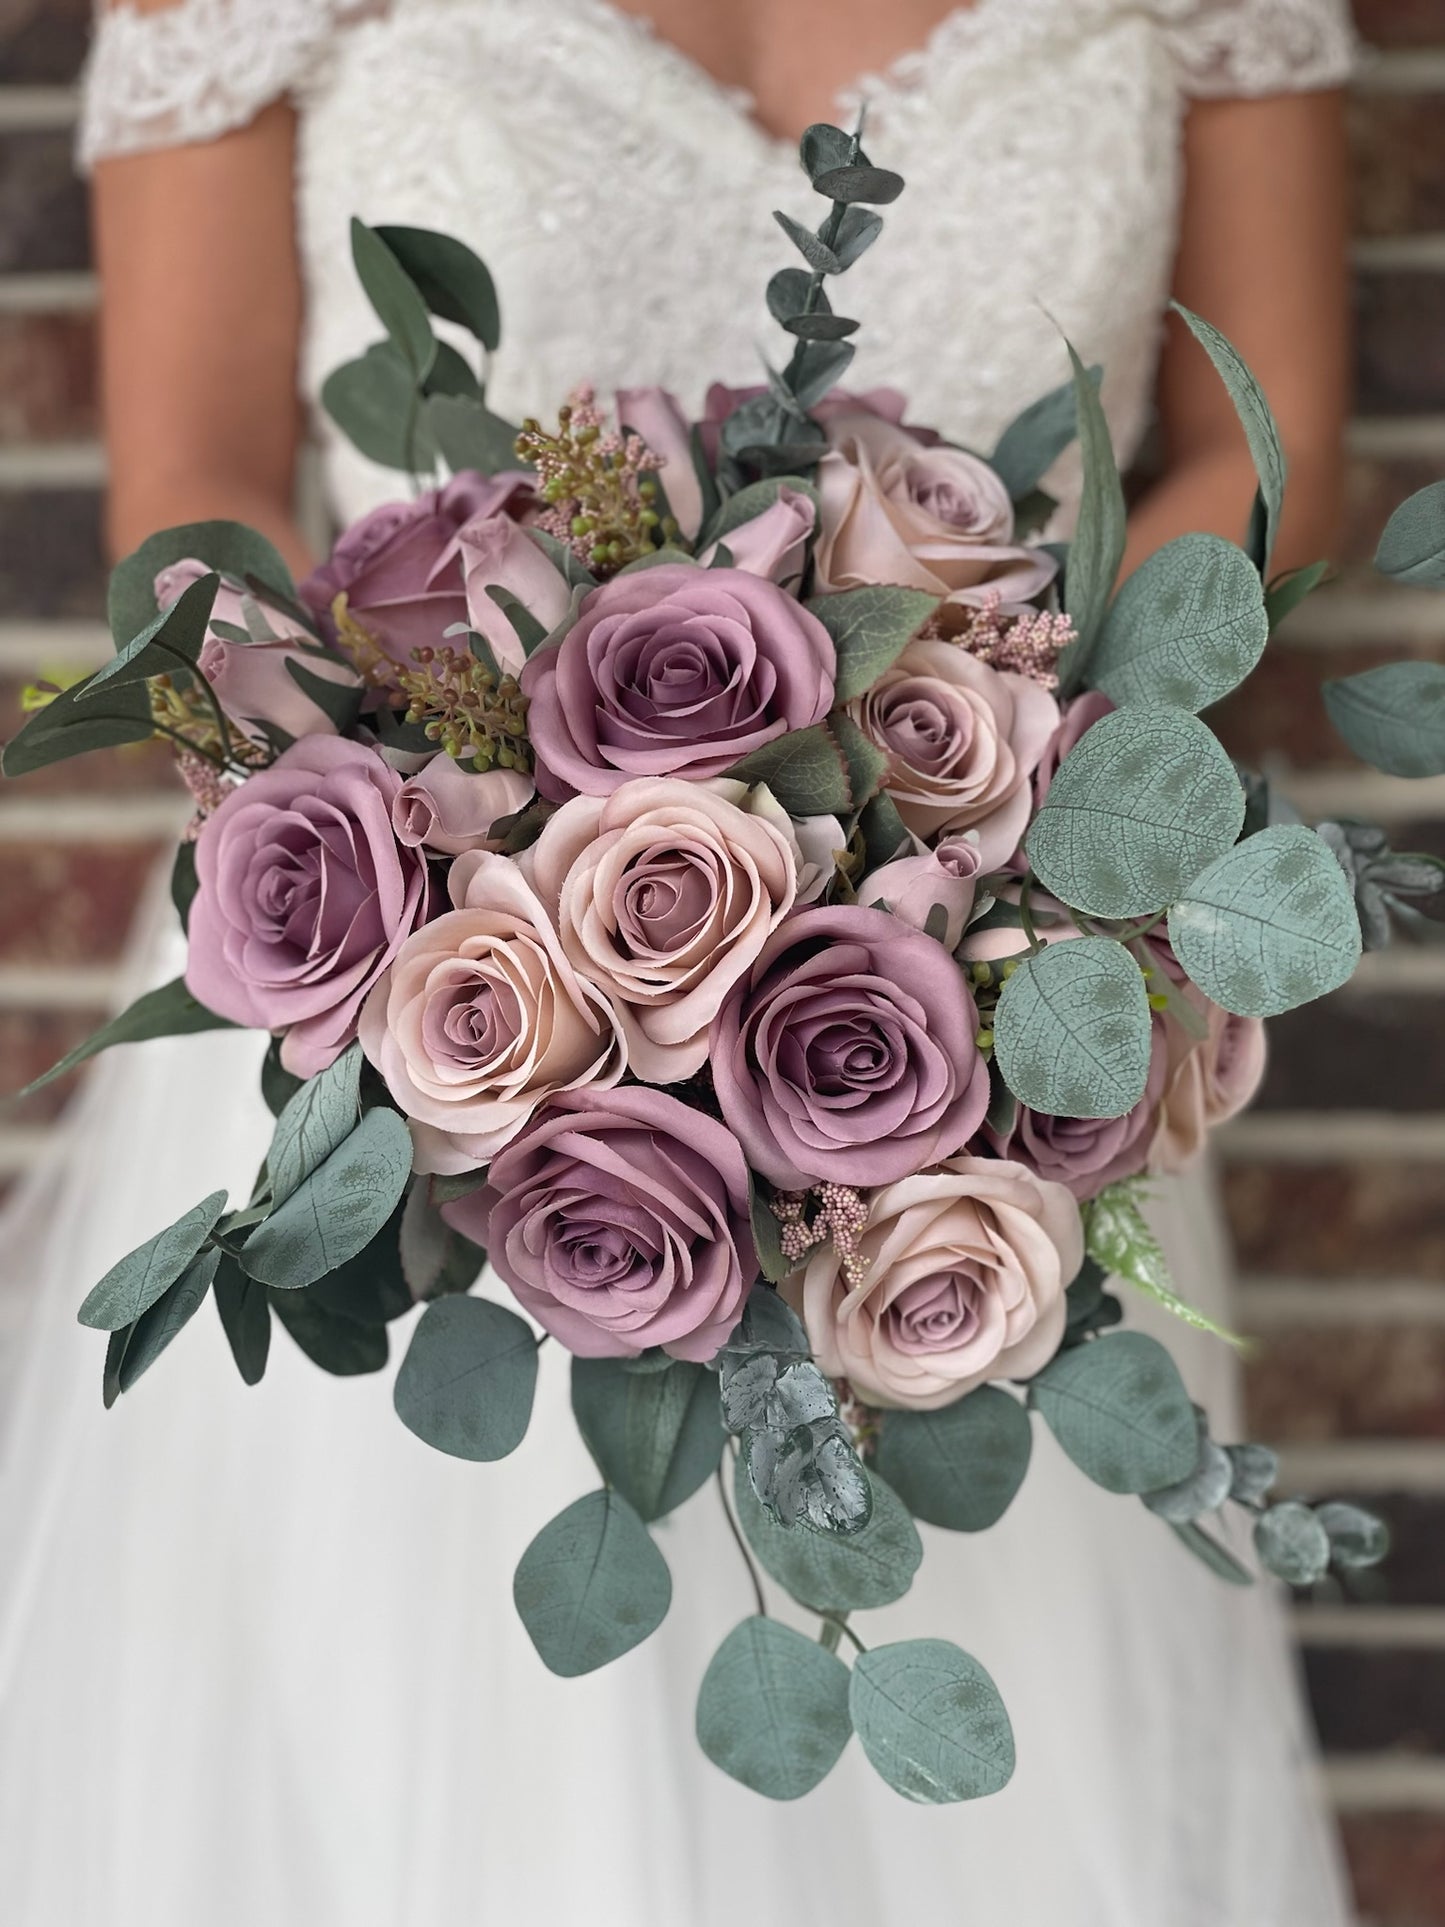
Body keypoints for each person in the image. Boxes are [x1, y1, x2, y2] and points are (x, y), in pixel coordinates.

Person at [0, 3, 1358, 1921]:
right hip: (418, 1054)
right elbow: (191, 509)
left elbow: (1266, 444)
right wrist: (477, 868)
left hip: (987, 1045)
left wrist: (990, 826)